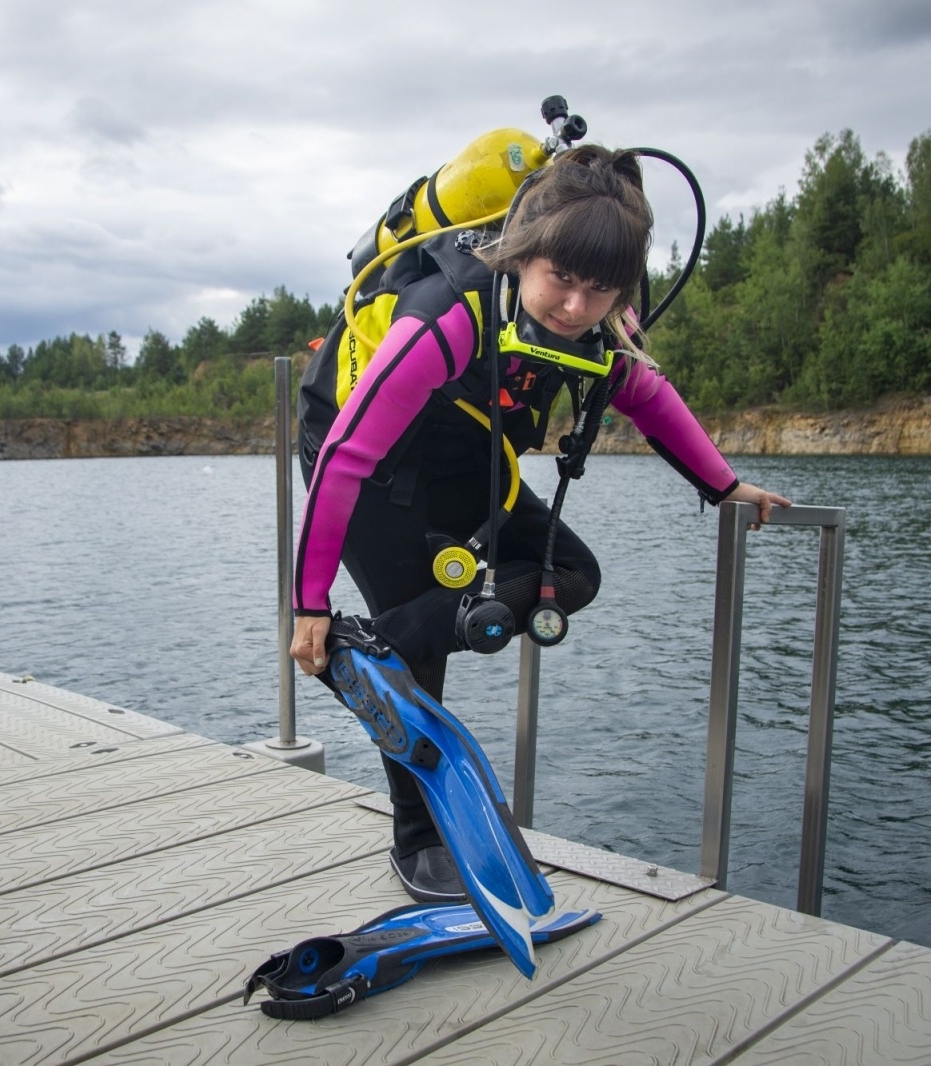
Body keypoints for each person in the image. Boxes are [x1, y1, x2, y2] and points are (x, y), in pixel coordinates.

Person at [289, 144, 790, 902]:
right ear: (525, 252)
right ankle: (419, 839)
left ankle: (379, 648)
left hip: (467, 456)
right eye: (561, 279)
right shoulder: (449, 315)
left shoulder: (599, 327)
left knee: (573, 574)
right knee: (419, 662)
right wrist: (309, 602)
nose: (575, 308)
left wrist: (724, 486)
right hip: (371, 464)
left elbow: (648, 396)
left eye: (600, 290)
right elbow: (346, 456)